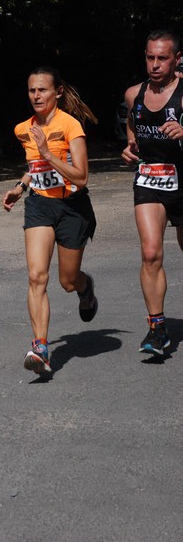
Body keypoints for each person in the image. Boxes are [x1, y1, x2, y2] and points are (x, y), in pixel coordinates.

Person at [3, 66, 98, 376]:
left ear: (57, 92)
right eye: (32, 90)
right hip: (40, 206)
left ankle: (85, 288)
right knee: (36, 276)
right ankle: (40, 347)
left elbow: (81, 177)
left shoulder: (71, 127)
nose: (36, 95)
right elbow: (36, 166)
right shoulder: (23, 129)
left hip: (72, 207)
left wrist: (48, 151)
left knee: (67, 281)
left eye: (42, 90)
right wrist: (21, 187)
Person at [121, 29, 183, 356]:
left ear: (176, 59)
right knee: (150, 253)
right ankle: (157, 329)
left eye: (162, 58)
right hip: (149, 178)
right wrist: (130, 146)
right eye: (150, 57)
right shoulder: (134, 94)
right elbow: (132, 126)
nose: (155, 64)